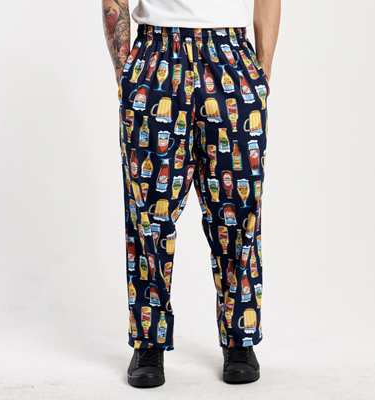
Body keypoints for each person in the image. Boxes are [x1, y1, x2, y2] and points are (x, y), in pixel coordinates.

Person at [102, 0, 280, 388]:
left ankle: (239, 339)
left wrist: (261, 72)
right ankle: (148, 342)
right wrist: (125, 71)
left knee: (239, 211)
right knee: (148, 212)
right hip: (157, 54)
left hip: (230, 54)